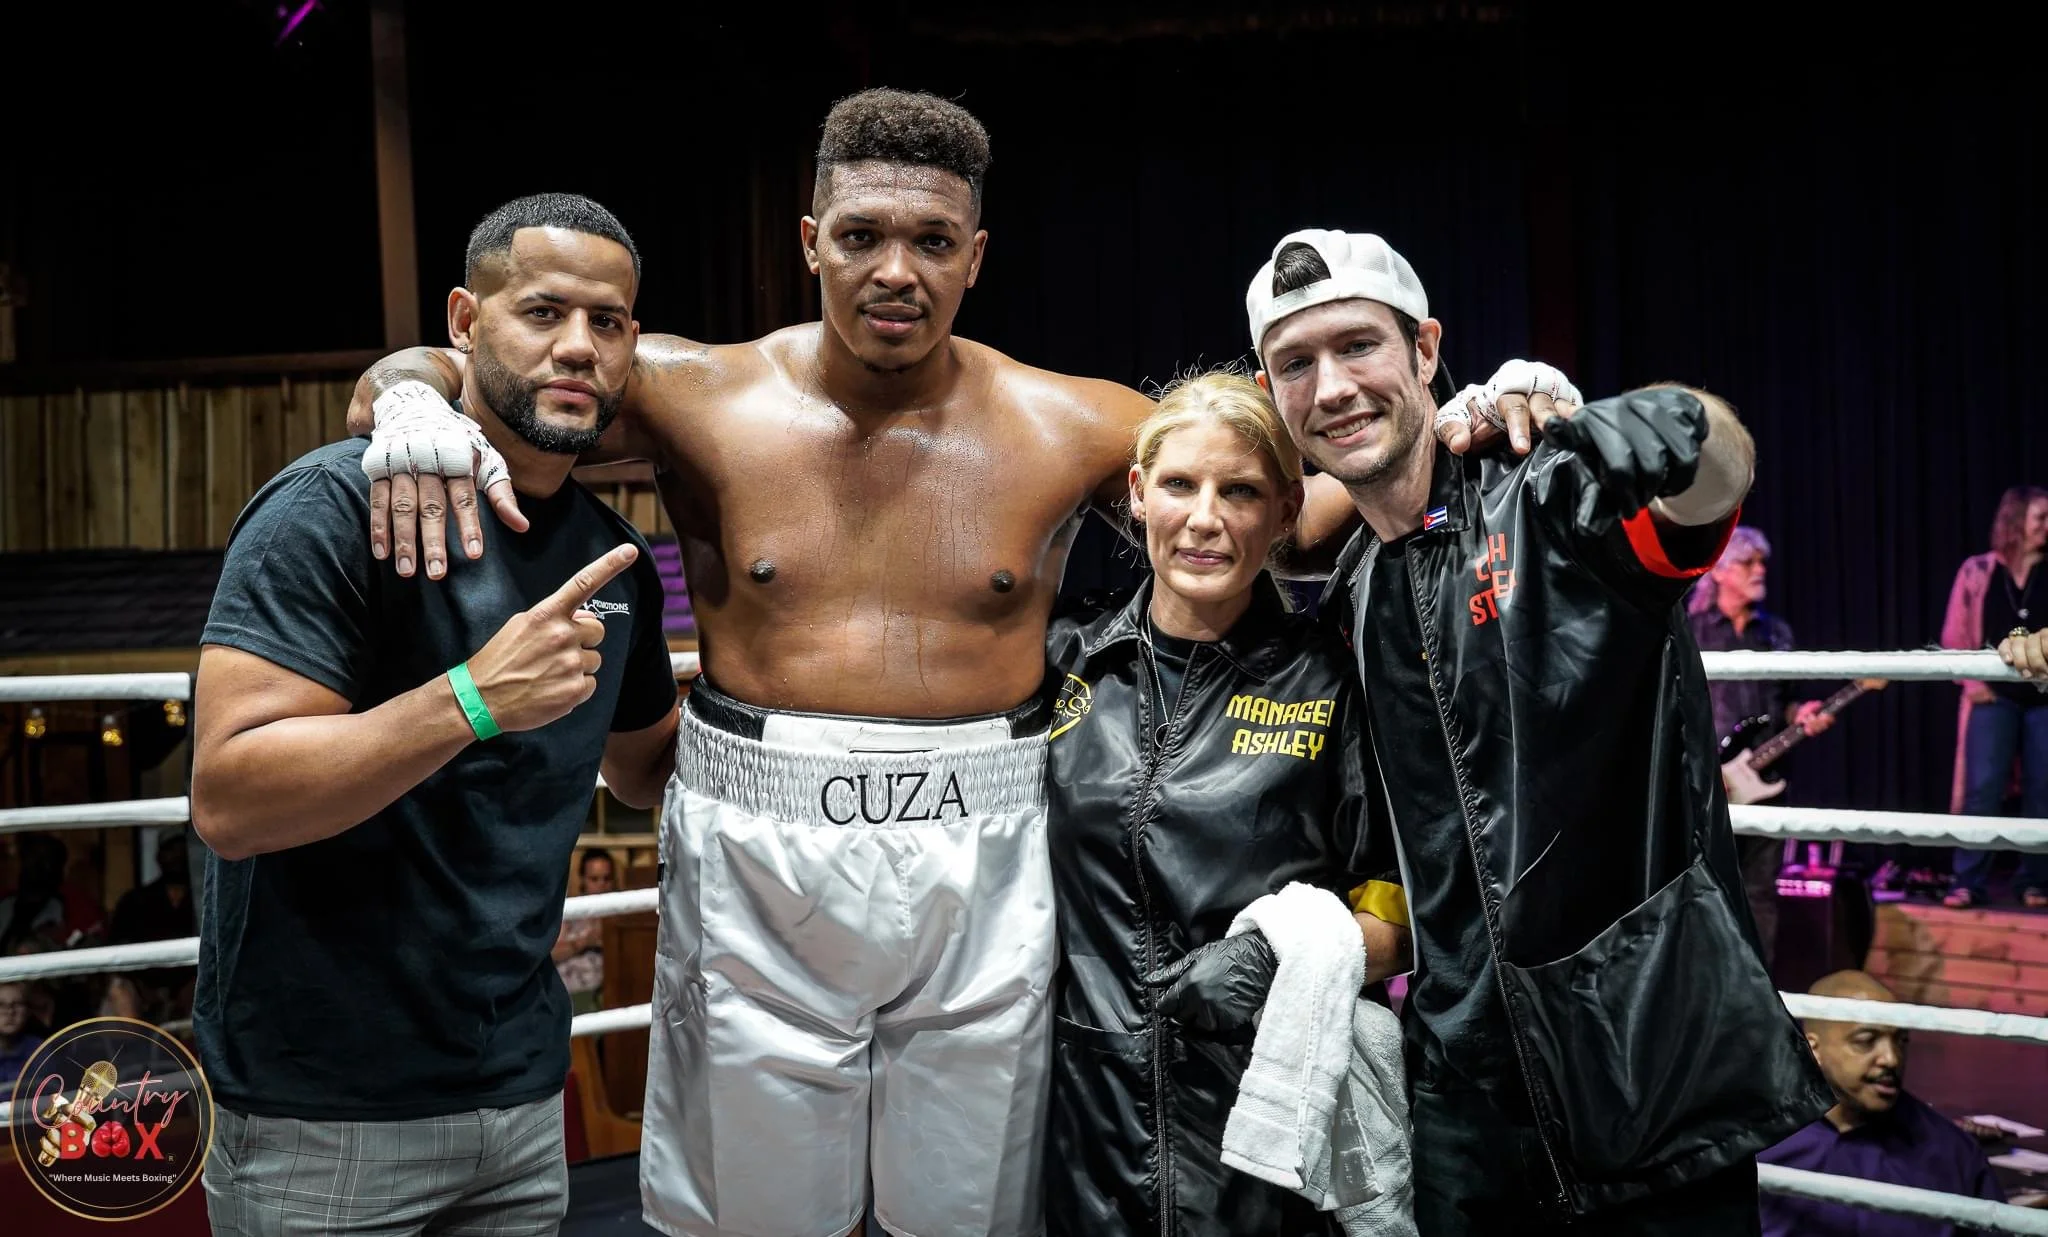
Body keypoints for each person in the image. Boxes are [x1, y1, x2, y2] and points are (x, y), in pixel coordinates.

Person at [340, 91, 1552, 1237]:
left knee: (970, 1213)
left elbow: (1278, 494)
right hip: (755, 837)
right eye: (862, 235)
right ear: (811, 240)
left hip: (988, 835)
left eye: (931, 240)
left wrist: (1471, 415)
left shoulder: (1070, 421)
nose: (895, 271)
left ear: (975, 254)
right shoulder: (687, 387)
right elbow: (477, 373)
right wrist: (405, 401)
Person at [1251, 228, 1832, 1233]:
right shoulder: (1352, 586)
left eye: (1357, 346)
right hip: (1461, 1087)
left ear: (1425, 352)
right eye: (1294, 364)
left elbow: (1706, 493)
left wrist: (1690, 427)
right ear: (1273, 397)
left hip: (1642, 1053)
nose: (1332, 386)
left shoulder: (1545, 493)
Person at [189, 193, 681, 1235]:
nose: (577, 347)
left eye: (607, 322)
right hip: (322, 1113)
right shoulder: (330, 505)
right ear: (463, 322)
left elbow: (642, 771)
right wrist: (468, 699)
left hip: (516, 1099)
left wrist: (789, 673)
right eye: (542, 312)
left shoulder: (608, 553)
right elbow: (231, 798)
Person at [1043, 371, 1413, 1236]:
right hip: (1088, 1127)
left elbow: (1409, 903)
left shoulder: (1332, 677)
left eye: (1240, 491)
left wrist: (1281, 962)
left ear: (1286, 512)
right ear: (1139, 495)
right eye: (1180, 484)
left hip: (1270, 1124)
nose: (1205, 518)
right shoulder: (1063, 664)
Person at [1759, 971, 2006, 1236]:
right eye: (1866, 1041)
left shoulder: (1951, 1152)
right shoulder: (1757, 1134)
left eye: (1900, 1041)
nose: (1891, 1059)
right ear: (1813, 1049)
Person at [1686, 527, 1835, 963]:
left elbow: (1785, 702)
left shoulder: (1776, 633)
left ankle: (1760, 989)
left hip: (1766, 781)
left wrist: (1801, 716)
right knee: (1703, 887)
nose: (1760, 571)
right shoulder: (1690, 628)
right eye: (1748, 562)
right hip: (1706, 783)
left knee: (1760, 892)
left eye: (1762, 562)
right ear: (1719, 571)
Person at [1942, 485, 2048, 909]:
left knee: (2043, 791)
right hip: (1991, 697)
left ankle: (2035, 881)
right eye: (2040, 517)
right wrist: (1973, 683)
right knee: (1981, 789)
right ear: (2015, 520)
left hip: (2044, 697)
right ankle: (1967, 880)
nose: (2046, 526)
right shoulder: (1978, 572)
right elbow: (1954, 637)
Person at [553, 848, 615, 1015]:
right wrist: (585, 942)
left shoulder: (619, 917)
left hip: (607, 996)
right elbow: (550, 954)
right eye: (594, 879)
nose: (601, 885)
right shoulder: (570, 912)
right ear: (583, 880)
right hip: (569, 995)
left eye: (606, 878)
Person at [0, 979, 43, 1088]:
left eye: (17, 1004)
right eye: (1, 1005)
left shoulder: (40, 1050)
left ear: (28, 1011)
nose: (10, 1011)